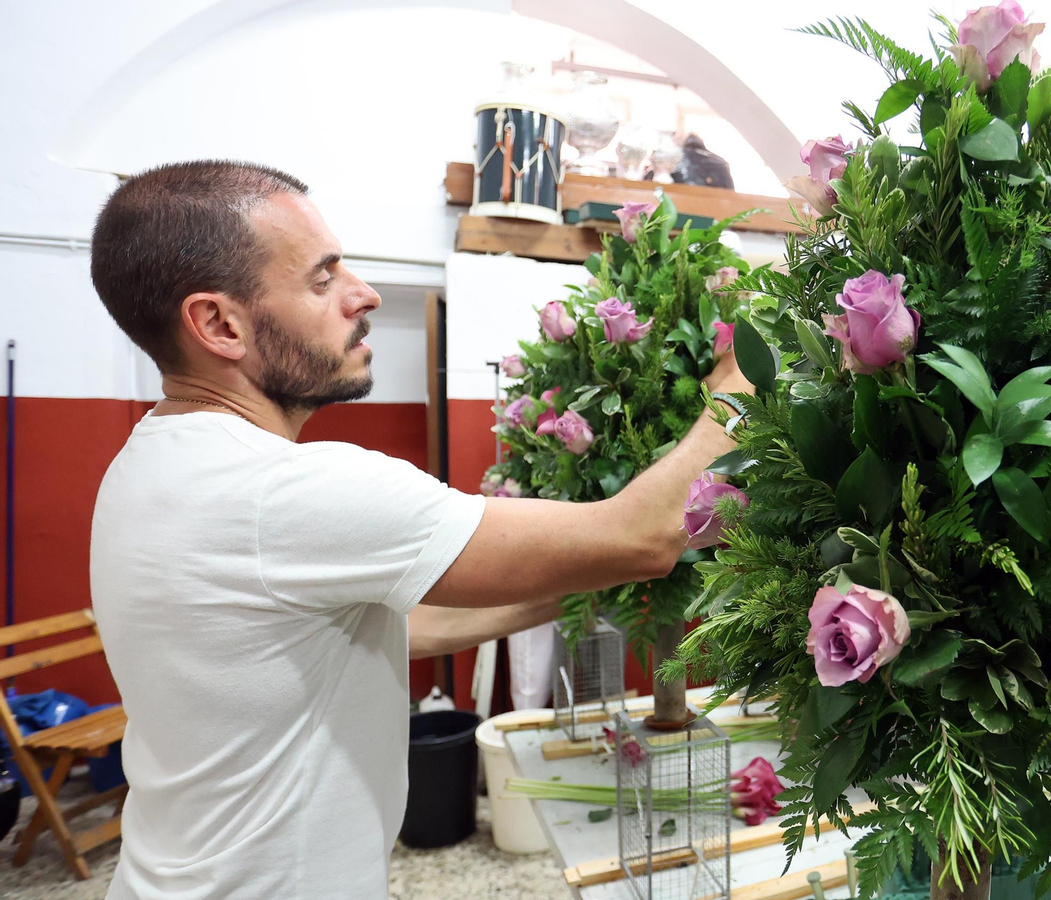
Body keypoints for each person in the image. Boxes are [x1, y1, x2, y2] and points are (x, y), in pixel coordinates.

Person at [85, 160, 754, 899]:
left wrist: (591, 578)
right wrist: (738, 387)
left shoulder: (147, 467)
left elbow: (400, 625)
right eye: (321, 280)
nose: (364, 294)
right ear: (219, 323)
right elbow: (644, 535)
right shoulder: (285, 491)